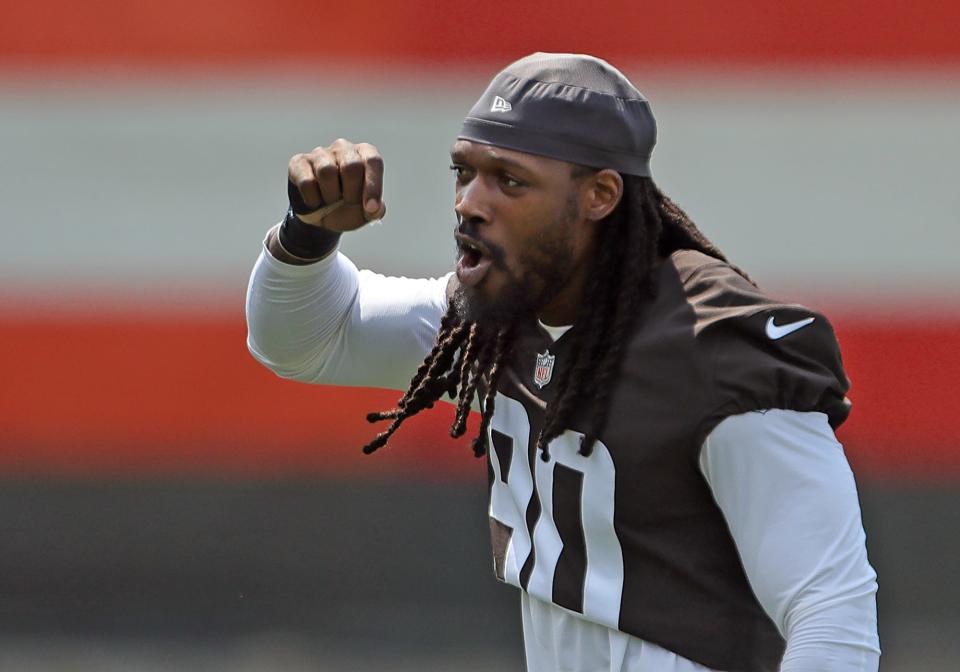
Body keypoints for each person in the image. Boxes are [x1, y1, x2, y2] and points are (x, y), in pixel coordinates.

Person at [246, 53, 880, 672]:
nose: (470, 201)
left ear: (600, 195)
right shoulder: (501, 316)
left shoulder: (715, 348)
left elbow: (833, 617)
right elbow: (308, 338)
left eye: (510, 180)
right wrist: (306, 236)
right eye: (463, 172)